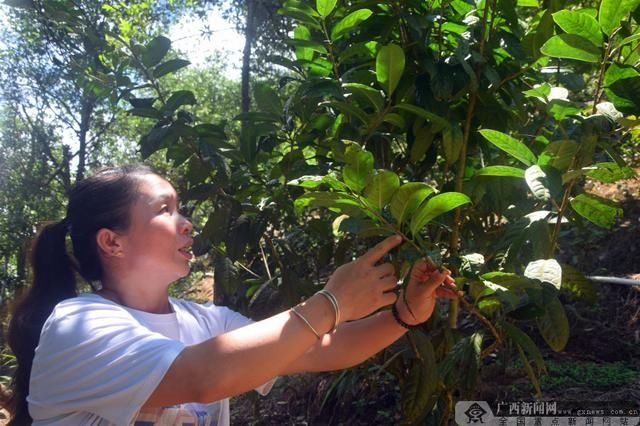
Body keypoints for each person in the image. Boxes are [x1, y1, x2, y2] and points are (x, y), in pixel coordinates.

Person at [3, 164, 457, 425]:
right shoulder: (77, 326)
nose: (187, 223)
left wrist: (403, 314)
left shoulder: (207, 322)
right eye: (165, 210)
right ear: (112, 242)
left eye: (181, 208)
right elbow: (201, 377)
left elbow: (322, 348)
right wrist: (330, 302)